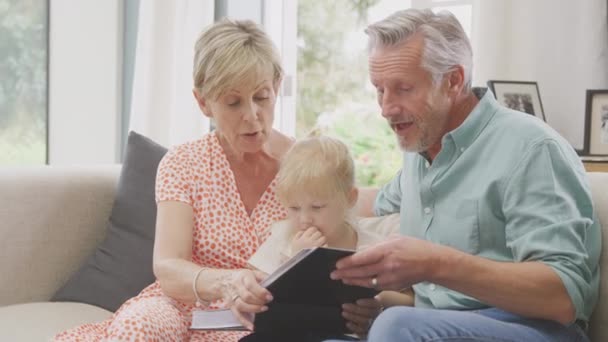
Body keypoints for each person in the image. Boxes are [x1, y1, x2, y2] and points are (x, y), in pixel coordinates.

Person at [53, 19, 372, 342]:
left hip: (256, 321)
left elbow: (349, 230)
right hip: (181, 305)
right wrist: (227, 282)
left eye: (261, 97)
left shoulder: (307, 167)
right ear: (203, 102)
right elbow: (168, 267)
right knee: (138, 327)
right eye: (233, 102)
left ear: (277, 86)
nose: (251, 115)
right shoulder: (183, 163)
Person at [327, 8, 600, 342]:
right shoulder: (421, 150)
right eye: (380, 89)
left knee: (397, 326)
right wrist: (301, 206)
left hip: (533, 329)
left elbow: (563, 298)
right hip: (431, 326)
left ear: (453, 81)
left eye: (403, 89)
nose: (386, 108)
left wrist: (434, 264)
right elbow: (373, 200)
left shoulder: (531, 148)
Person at [247, 136, 414, 337]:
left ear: (350, 198)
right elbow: (254, 284)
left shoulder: (371, 247)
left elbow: (409, 298)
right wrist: (295, 260)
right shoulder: (283, 236)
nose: (304, 219)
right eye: (294, 208)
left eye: (317, 207)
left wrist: (379, 302)